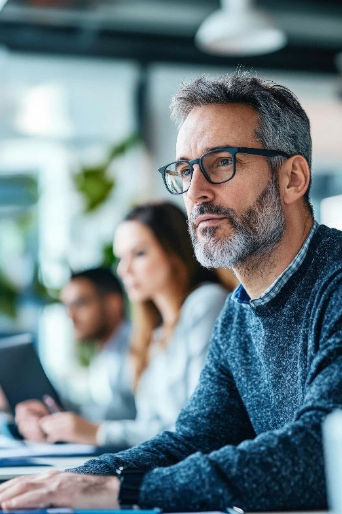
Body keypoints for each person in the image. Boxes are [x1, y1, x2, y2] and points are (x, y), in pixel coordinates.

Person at [1, 70, 340, 512]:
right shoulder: (240, 312)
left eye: (222, 162)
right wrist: (75, 479)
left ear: (293, 178)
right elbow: (193, 438)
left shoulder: (333, 285)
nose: (195, 193)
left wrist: (117, 490)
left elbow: (320, 450)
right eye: (185, 170)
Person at [15, 202, 228, 448]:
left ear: (174, 252)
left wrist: (98, 433)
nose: (123, 269)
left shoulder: (206, 303)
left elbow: (199, 427)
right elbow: (142, 422)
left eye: (138, 254)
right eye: (120, 258)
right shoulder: (156, 332)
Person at [15, 267, 136, 445]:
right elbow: (108, 413)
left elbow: (132, 420)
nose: (70, 316)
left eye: (80, 304)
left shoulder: (137, 351)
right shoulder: (107, 353)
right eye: (67, 306)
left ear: (113, 303)